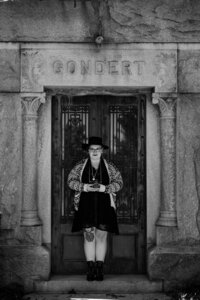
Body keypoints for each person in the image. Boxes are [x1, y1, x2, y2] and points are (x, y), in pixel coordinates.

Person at [67, 136, 123, 281]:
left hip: (105, 205)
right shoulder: (80, 166)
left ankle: (100, 269)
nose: (95, 151)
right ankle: (90, 269)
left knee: (101, 236)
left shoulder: (110, 166)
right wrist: (84, 187)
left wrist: (105, 188)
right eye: (92, 149)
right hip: (86, 205)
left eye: (98, 149)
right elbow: (70, 181)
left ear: (102, 151)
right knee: (89, 235)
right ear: (88, 151)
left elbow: (119, 183)